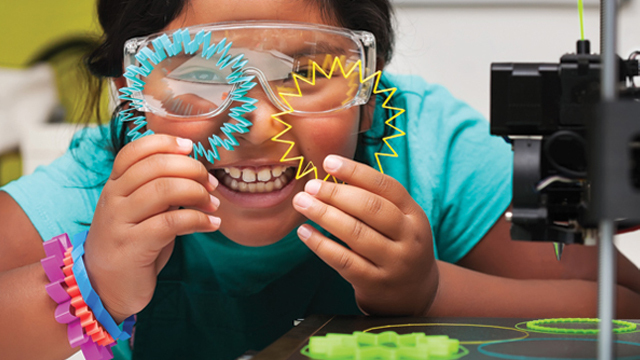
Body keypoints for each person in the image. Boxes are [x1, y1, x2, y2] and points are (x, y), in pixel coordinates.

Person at [1, 0, 640, 359]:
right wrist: (94, 283)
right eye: (197, 73)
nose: (255, 125)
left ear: (370, 85)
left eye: (304, 71)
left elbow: (621, 312)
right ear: (131, 96)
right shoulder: (95, 190)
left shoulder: (426, 145)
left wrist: (430, 291)